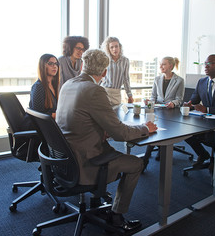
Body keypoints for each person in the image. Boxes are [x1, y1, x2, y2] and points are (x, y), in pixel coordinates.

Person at [55, 49, 157, 231]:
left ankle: (99, 203)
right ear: (104, 72)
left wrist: (101, 130)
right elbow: (120, 134)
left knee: (113, 150)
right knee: (136, 164)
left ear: (83, 65)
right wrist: (144, 128)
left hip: (64, 158)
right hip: (85, 162)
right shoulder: (94, 90)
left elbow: (76, 119)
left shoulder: (68, 84)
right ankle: (116, 216)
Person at [142, 56, 184, 170]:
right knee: (154, 131)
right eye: (160, 64)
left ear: (170, 66)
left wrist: (173, 103)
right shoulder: (157, 79)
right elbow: (153, 97)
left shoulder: (179, 80)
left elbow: (179, 99)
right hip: (158, 111)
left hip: (171, 112)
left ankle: (146, 159)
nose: (160, 66)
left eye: (163, 64)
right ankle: (147, 157)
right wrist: (149, 101)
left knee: (161, 132)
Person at [100, 37, 134, 106]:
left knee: (116, 114)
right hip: (105, 92)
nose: (114, 49)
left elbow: (126, 79)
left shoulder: (125, 60)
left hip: (117, 93)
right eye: (111, 47)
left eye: (116, 46)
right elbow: (99, 75)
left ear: (120, 47)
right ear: (108, 49)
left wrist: (129, 95)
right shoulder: (104, 59)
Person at [29, 53, 60, 119]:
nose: (54, 66)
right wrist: (55, 115)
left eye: (56, 64)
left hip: (51, 123)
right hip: (39, 126)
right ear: (42, 66)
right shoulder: (38, 87)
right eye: (50, 63)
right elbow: (38, 114)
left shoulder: (54, 85)